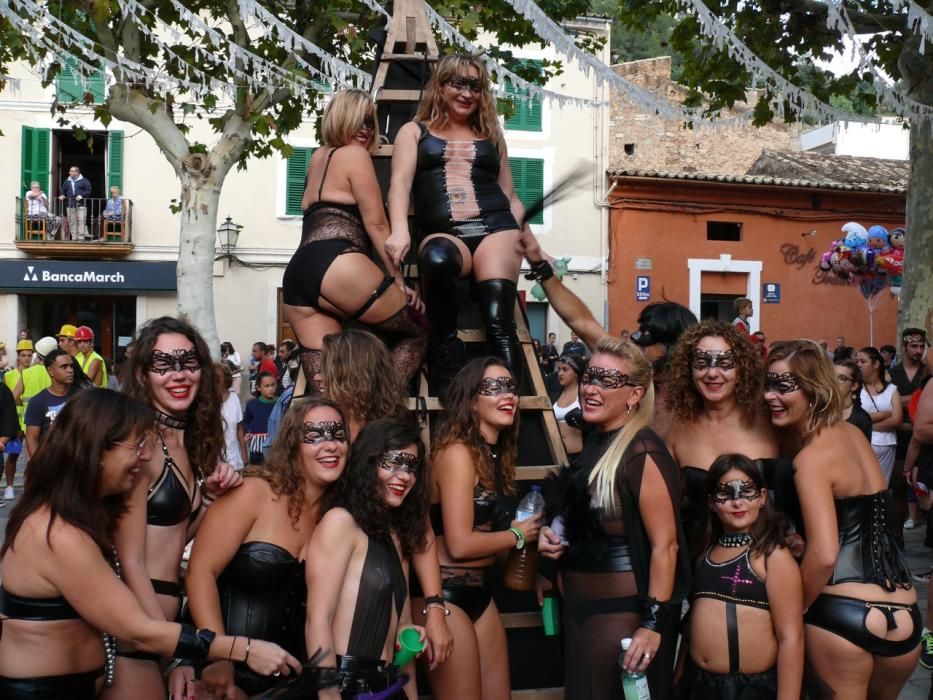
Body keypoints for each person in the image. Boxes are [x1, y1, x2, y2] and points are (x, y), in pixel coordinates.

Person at [0, 389, 300, 699]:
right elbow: (138, 631)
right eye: (138, 445)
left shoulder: (81, 514)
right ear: (98, 449)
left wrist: (208, 499)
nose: (145, 456)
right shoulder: (56, 533)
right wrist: (244, 649)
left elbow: (162, 548)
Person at [764, 340, 919, 698]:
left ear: (815, 389)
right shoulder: (854, 435)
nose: (771, 395)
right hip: (905, 613)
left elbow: (825, 554)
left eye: (785, 386)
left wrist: (794, 610)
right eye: (768, 384)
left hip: (842, 613)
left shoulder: (813, 459)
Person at [538, 336, 690, 699]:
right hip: (580, 612)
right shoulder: (596, 443)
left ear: (635, 395)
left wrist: (652, 625)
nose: (591, 388)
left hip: (620, 619)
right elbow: (584, 517)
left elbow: (665, 546)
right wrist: (551, 536)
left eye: (607, 381)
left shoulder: (642, 452)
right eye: (591, 377)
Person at [106, 316, 242, 700]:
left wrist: (211, 498)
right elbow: (130, 560)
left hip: (165, 621)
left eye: (188, 362)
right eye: (163, 365)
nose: (178, 375)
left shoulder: (190, 441)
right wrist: (175, 650)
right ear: (143, 374)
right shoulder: (140, 445)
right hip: (134, 629)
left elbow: (172, 535)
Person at [187, 398, 349, 697]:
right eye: (315, 435)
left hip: (293, 685)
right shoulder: (254, 493)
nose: (330, 445)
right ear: (292, 444)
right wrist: (220, 654)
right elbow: (199, 573)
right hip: (224, 678)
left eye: (338, 435)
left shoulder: (338, 519)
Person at [388, 54, 529, 388]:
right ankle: (445, 350)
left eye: (475, 86)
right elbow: (399, 185)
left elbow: (509, 196)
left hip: (496, 230)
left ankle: (509, 403)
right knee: (436, 259)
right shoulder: (414, 132)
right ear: (441, 86)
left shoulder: (492, 136)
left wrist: (530, 241)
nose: (467, 93)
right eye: (458, 83)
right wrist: (397, 229)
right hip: (444, 233)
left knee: (499, 322)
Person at [319, 329, 454, 672]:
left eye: (326, 369)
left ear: (349, 375)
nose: (319, 378)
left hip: (389, 584)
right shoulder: (326, 437)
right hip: (331, 590)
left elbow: (419, 527)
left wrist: (435, 608)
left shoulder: (395, 436)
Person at [283, 88, 425, 394]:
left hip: (298, 275)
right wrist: (398, 279)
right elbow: (375, 223)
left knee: (326, 386)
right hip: (337, 261)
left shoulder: (317, 158)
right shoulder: (355, 155)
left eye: (370, 123)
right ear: (340, 119)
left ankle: (336, 432)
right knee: (419, 331)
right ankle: (378, 407)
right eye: (358, 121)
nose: (366, 129)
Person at [419, 357, 534, 699]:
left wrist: (535, 574)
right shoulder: (457, 452)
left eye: (511, 387)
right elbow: (460, 544)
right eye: (494, 387)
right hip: (446, 593)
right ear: (471, 400)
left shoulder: (492, 455)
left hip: (481, 593)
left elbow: (485, 537)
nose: (508, 395)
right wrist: (518, 535)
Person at [305, 417, 429, 699]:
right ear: (368, 463)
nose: (405, 475)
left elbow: (403, 630)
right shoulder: (340, 522)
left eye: (411, 466)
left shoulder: (397, 535)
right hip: (347, 686)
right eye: (393, 462)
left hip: (388, 686)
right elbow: (317, 620)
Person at [680, 453, 803, 700]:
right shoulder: (705, 554)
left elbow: (791, 637)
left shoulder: (773, 557)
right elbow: (693, 624)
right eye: (725, 493)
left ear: (762, 497)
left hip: (749, 690)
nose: (737, 502)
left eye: (747, 491)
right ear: (711, 503)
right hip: (697, 686)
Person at [664, 320, 788, 558]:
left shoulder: (771, 422)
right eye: (701, 363)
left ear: (741, 367)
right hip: (700, 564)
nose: (712, 373)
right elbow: (666, 509)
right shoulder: (677, 431)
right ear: (688, 369)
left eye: (724, 363)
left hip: (770, 566)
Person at [319, 329, 408, 440]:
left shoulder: (392, 440)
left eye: (325, 372)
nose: (316, 378)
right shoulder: (316, 430)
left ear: (353, 378)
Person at [856, 346, 903, 484]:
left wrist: (864, 423)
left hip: (886, 446)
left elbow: (897, 419)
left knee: (881, 486)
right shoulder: (855, 388)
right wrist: (883, 415)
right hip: (860, 445)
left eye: (863, 361)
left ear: (876, 364)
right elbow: (852, 418)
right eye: (857, 361)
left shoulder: (891, 389)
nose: (858, 365)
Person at [23, 349, 77, 458]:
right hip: (50, 465)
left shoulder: (81, 398)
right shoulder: (37, 402)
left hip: (77, 465)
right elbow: (32, 438)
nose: (70, 370)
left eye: (71, 366)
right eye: (64, 367)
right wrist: (37, 465)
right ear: (51, 371)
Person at [11, 336, 56, 451]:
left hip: (31, 422)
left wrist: (21, 402)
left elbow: (13, 396)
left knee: (31, 458)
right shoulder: (55, 372)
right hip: (51, 421)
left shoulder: (26, 373)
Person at [3, 340, 33, 502]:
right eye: (23, 355)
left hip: (30, 422)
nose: (27, 359)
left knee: (31, 456)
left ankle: (30, 487)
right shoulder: (9, 375)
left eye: (29, 355)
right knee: (13, 455)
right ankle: (9, 487)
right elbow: (8, 399)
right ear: (18, 357)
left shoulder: (34, 373)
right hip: (15, 423)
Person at [552, 353, 586, 457]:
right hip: (556, 456)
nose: (560, 373)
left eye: (565, 370)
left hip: (578, 456)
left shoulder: (584, 394)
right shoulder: (554, 395)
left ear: (576, 372)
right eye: (559, 369)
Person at [244, 372, 277, 465]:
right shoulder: (252, 405)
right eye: (267, 386)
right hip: (257, 450)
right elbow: (246, 420)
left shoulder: (280, 403)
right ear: (259, 388)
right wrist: (248, 432)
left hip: (276, 448)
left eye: (273, 385)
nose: (271, 388)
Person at [834, 359, 873, 440]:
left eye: (842, 378)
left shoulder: (861, 418)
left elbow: (863, 451)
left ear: (854, 386)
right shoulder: (820, 411)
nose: (834, 382)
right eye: (832, 377)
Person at [219, 363, 246, 471]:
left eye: (218, 378)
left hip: (234, 456)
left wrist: (244, 452)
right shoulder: (207, 402)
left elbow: (239, 428)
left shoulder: (234, 398)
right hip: (215, 460)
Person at [59, 165, 91, 240]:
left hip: (81, 204)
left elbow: (88, 191)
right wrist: (62, 195)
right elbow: (63, 190)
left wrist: (81, 196)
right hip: (70, 204)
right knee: (72, 222)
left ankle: (80, 238)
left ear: (77, 172)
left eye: (71, 171)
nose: (69, 172)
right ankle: (74, 237)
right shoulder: (67, 181)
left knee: (81, 221)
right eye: (70, 171)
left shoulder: (84, 181)